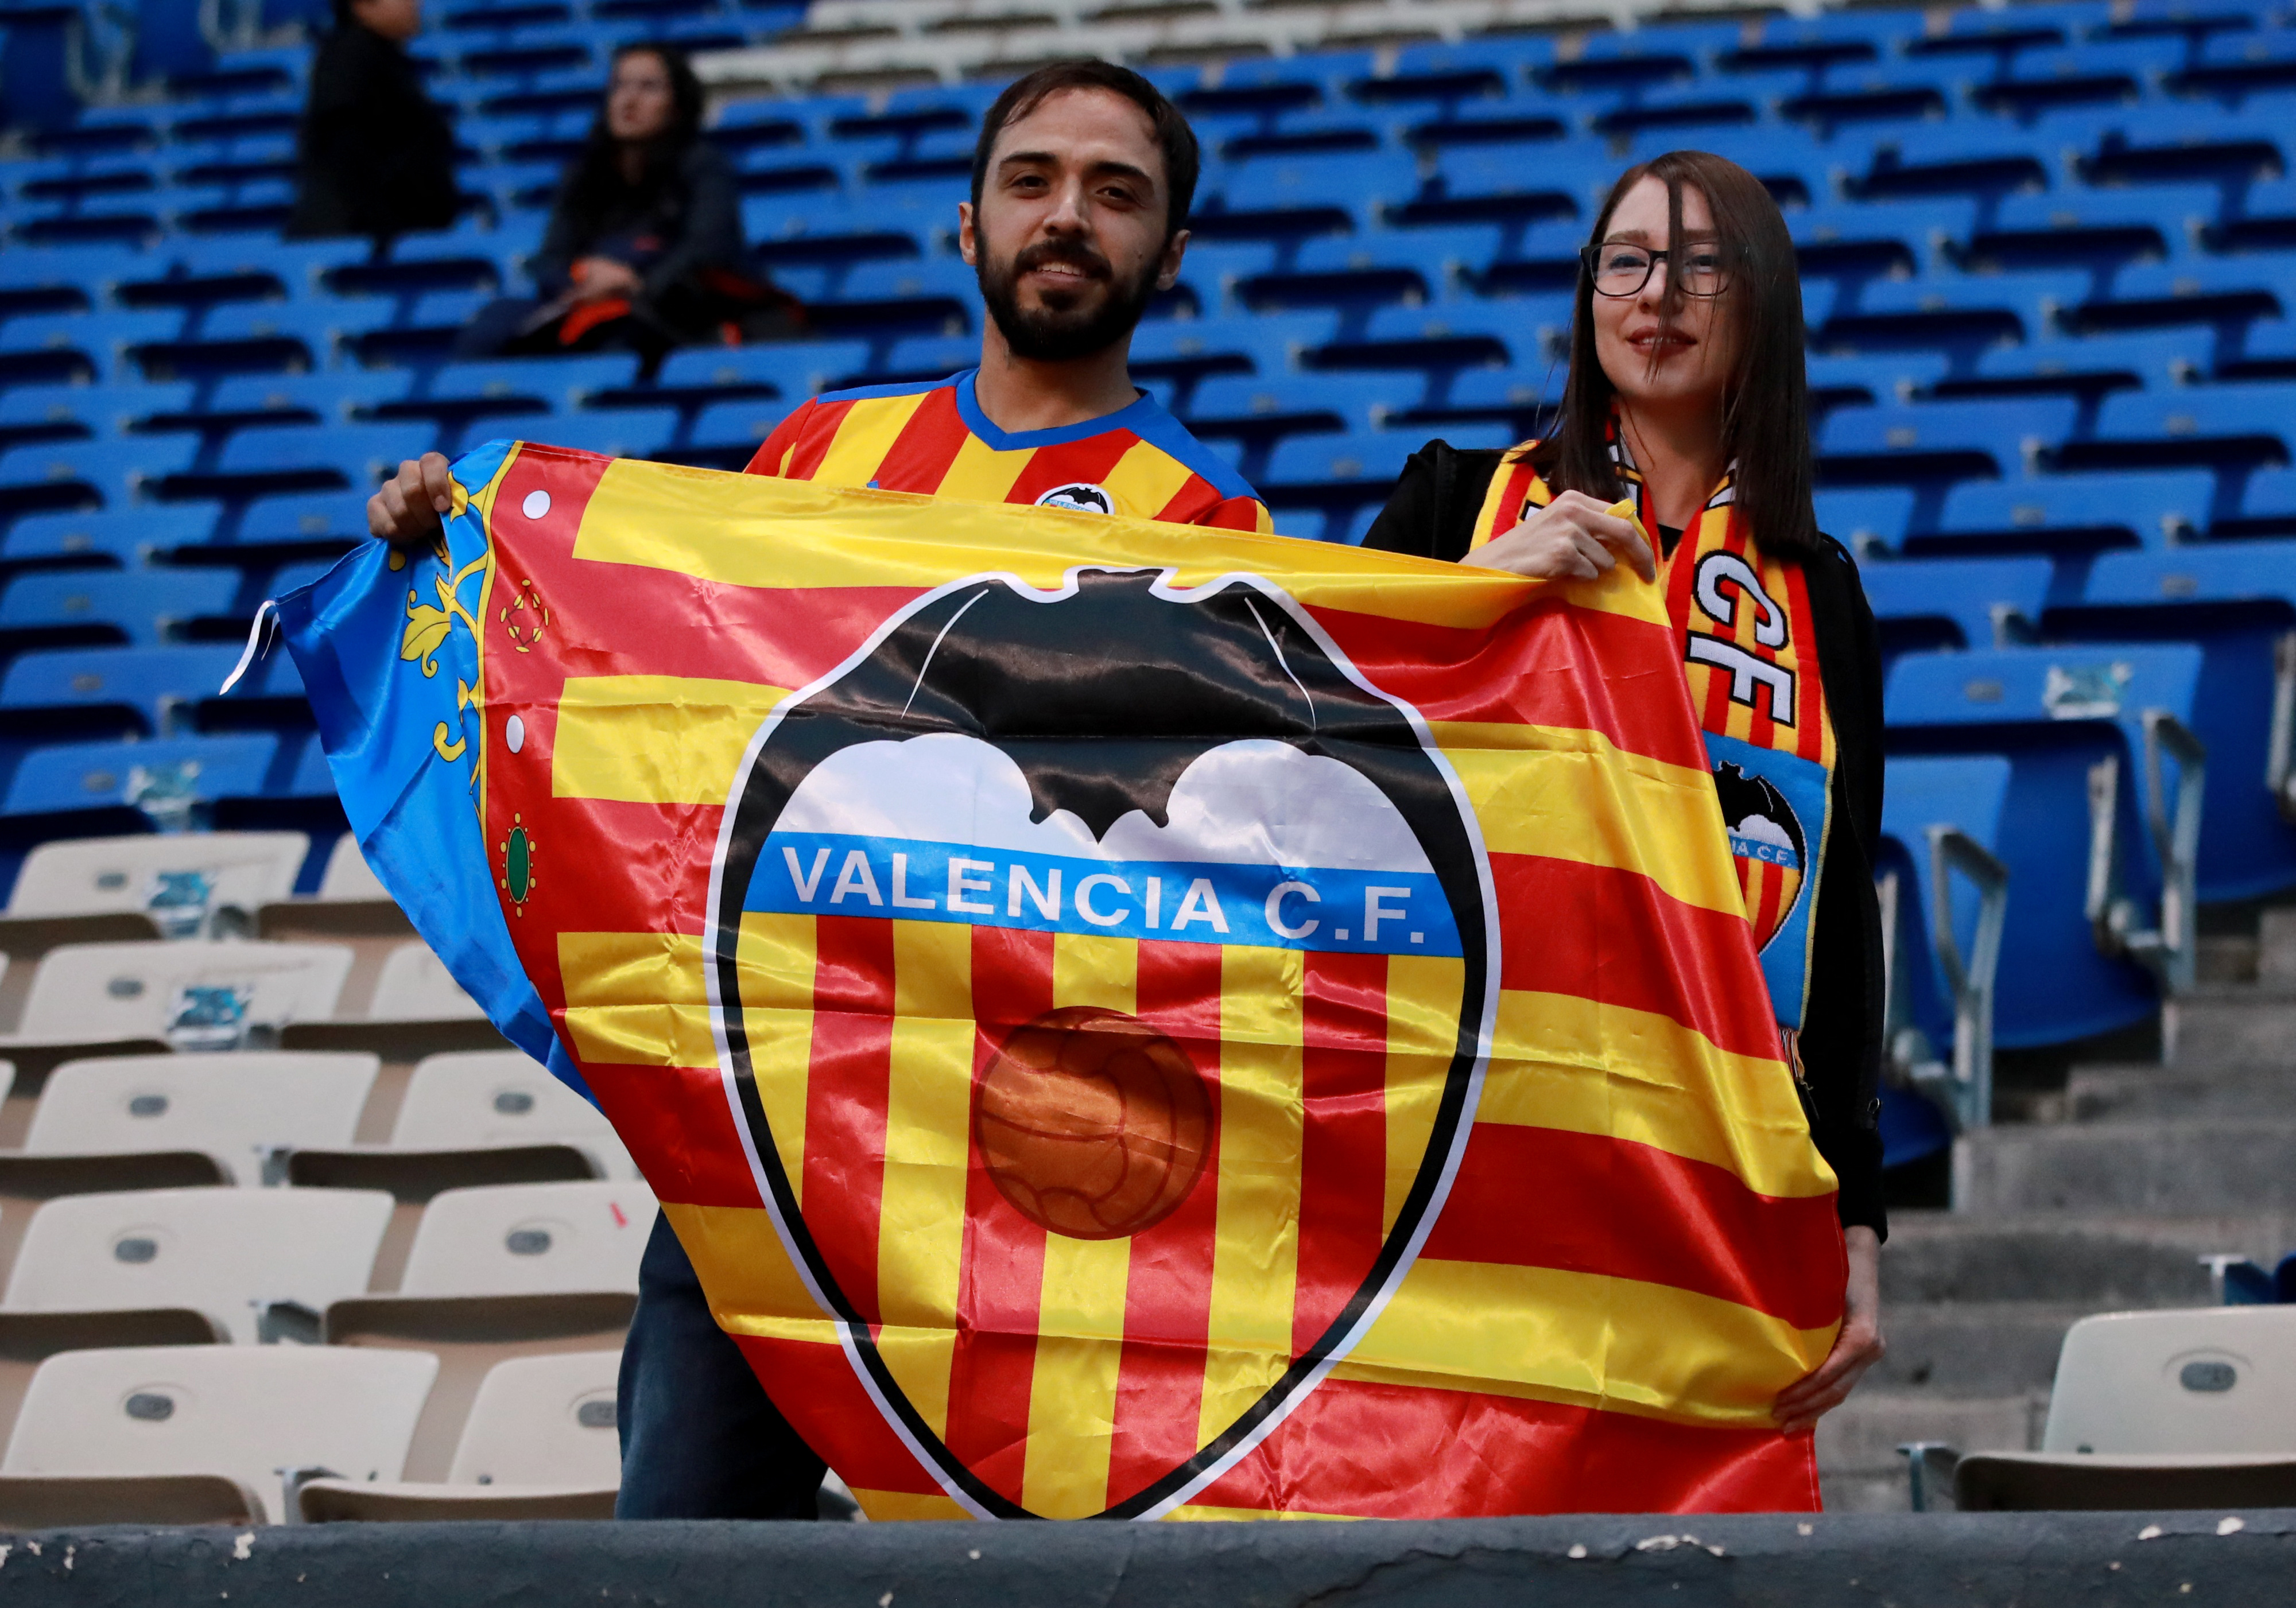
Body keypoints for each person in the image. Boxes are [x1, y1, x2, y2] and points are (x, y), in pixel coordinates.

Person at [366, 59, 1273, 1517]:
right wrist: (456, 542)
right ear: (960, 220)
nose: (1065, 217)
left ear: (1170, 255)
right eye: (1031, 179)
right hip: (771, 1132)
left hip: (1024, 1160)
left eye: (1117, 193)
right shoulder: (812, 460)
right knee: (691, 1546)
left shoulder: (1220, 528)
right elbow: (669, 706)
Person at [1363, 150, 1889, 1437]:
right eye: (1626, 260)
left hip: (1710, 1156)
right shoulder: (1458, 503)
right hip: (1471, 1124)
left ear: (1757, 303)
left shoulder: (1816, 590)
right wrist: (1475, 591)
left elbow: (1839, 929)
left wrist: (1860, 1221)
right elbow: (1320, 736)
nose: (1657, 294)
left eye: (1702, 261)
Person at [456, 42, 781, 365]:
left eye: (649, 87)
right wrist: (583, 275)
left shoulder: (704, 166)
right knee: (490, 329)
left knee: (618, 339)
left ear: (678, 104)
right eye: (620, 86)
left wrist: (633, 281)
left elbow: (708, 247)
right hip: (588, 303)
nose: (630, 100)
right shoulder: (584, 175)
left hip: (677, 310)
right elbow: (551, 258)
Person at [285, 0, 459, 242]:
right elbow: (345, 151)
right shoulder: (348, 58)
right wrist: (382, 222)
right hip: (353, 241)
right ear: (363, 6)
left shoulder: (387, 59)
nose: (414, 4)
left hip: (397, 238)